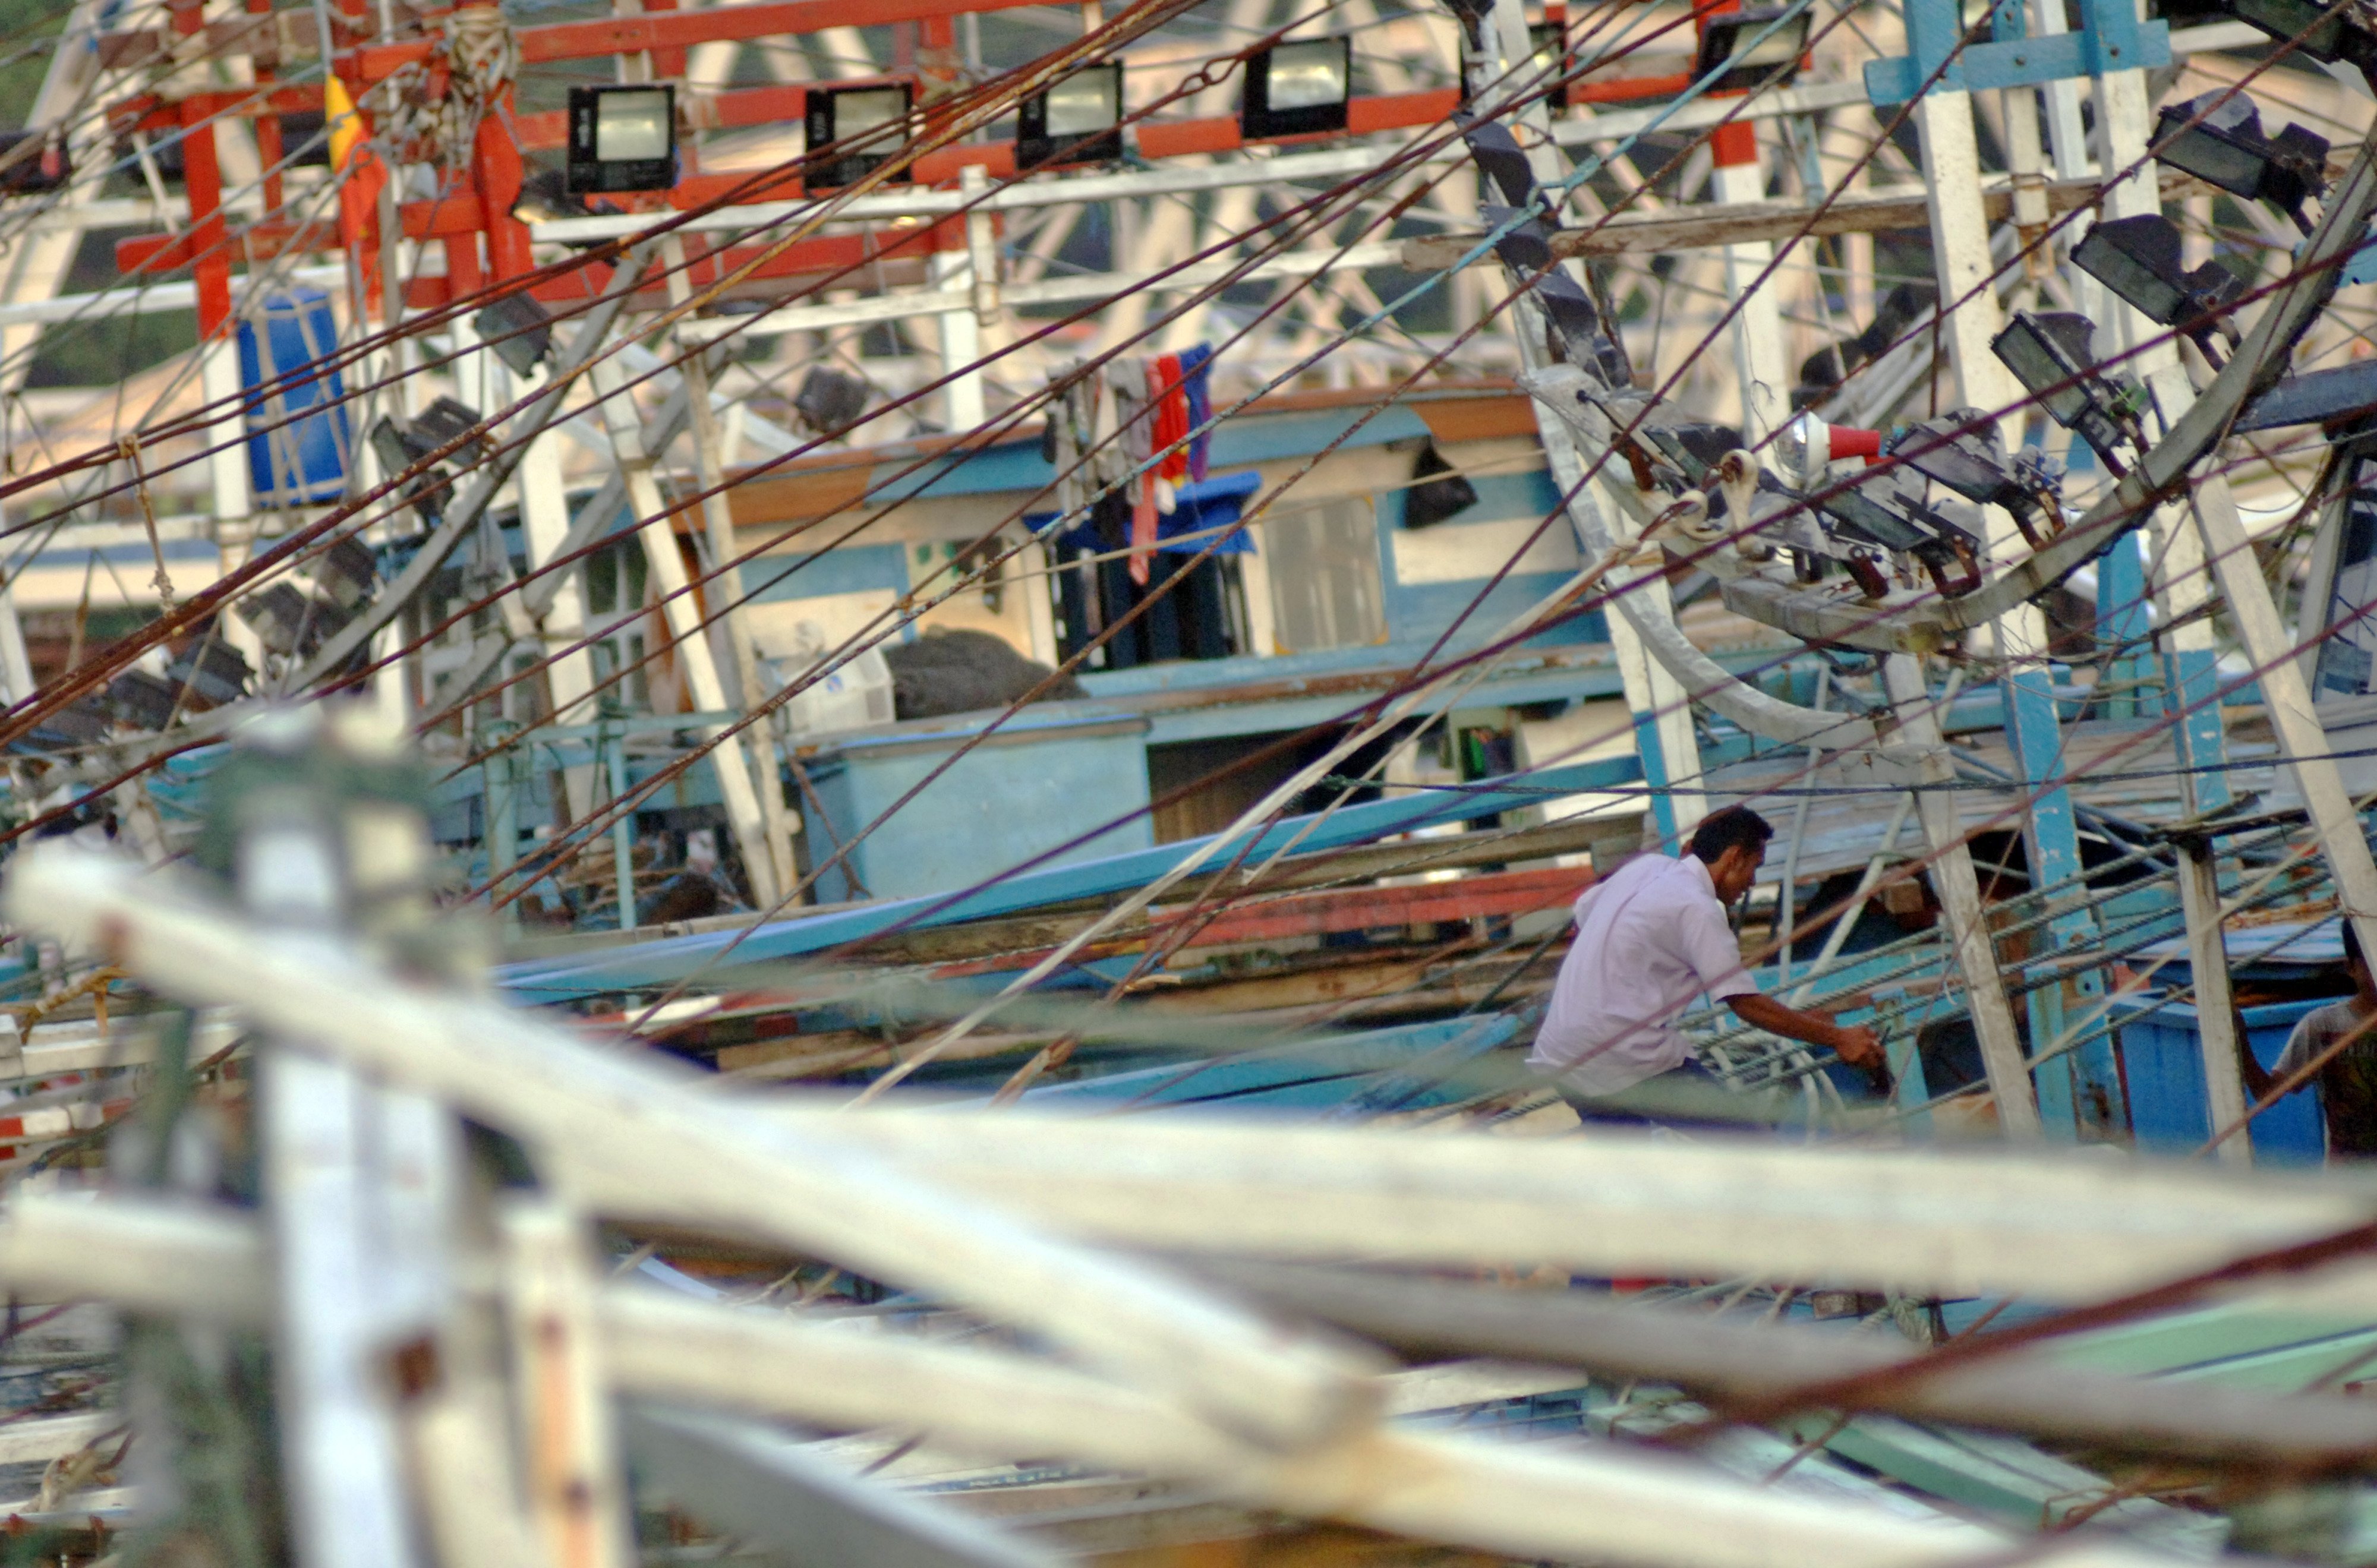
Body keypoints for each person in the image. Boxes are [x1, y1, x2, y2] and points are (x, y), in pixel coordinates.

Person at [1528, 804, 1884, 1124]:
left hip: (1564, 1054)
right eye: (1754, 867)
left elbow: (1584, 913)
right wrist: (1837, 1038)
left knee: (1632, 1182)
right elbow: (1745, 1004)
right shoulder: (1697, 908)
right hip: (1628, 1057)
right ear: (1733, 858)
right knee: (1747, 1153)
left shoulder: (1647, 868)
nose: (1753, 882)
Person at [2236, 920, 2377, 1158]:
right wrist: (2239, 1037)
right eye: (2370, 960)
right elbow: (2267, 1094)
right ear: (2351, 967)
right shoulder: (2321, 1026)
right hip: (2348, 1178)